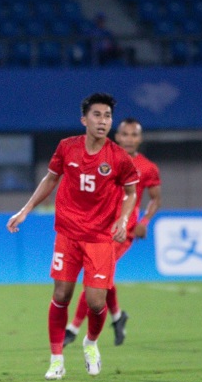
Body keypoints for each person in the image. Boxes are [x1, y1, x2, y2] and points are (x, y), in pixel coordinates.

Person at [6, 93, 139, 380]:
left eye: (107, 116)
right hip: (68, 233)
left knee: (95, 303)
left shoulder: (118, 157)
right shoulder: (67, 147)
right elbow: (50, 179)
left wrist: (123, 218)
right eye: (97, 115)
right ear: (84, 119)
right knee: (61, 294)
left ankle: (91, 343)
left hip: (101, 238)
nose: (103, 121)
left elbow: (131, 192)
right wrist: (26, 210)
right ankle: (56, 360)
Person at [64, 118, 161, 347]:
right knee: (103, 279)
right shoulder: (104, 159)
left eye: (134, 135)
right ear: (117, 136)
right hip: (97, 228)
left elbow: (156, 199)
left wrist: (144, 221)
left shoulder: (148, 168)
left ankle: (73, 328)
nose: (129, 139)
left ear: (140, 138)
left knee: (94, 279)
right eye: (125, 134)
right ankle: (118, 317)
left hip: (122, 232)